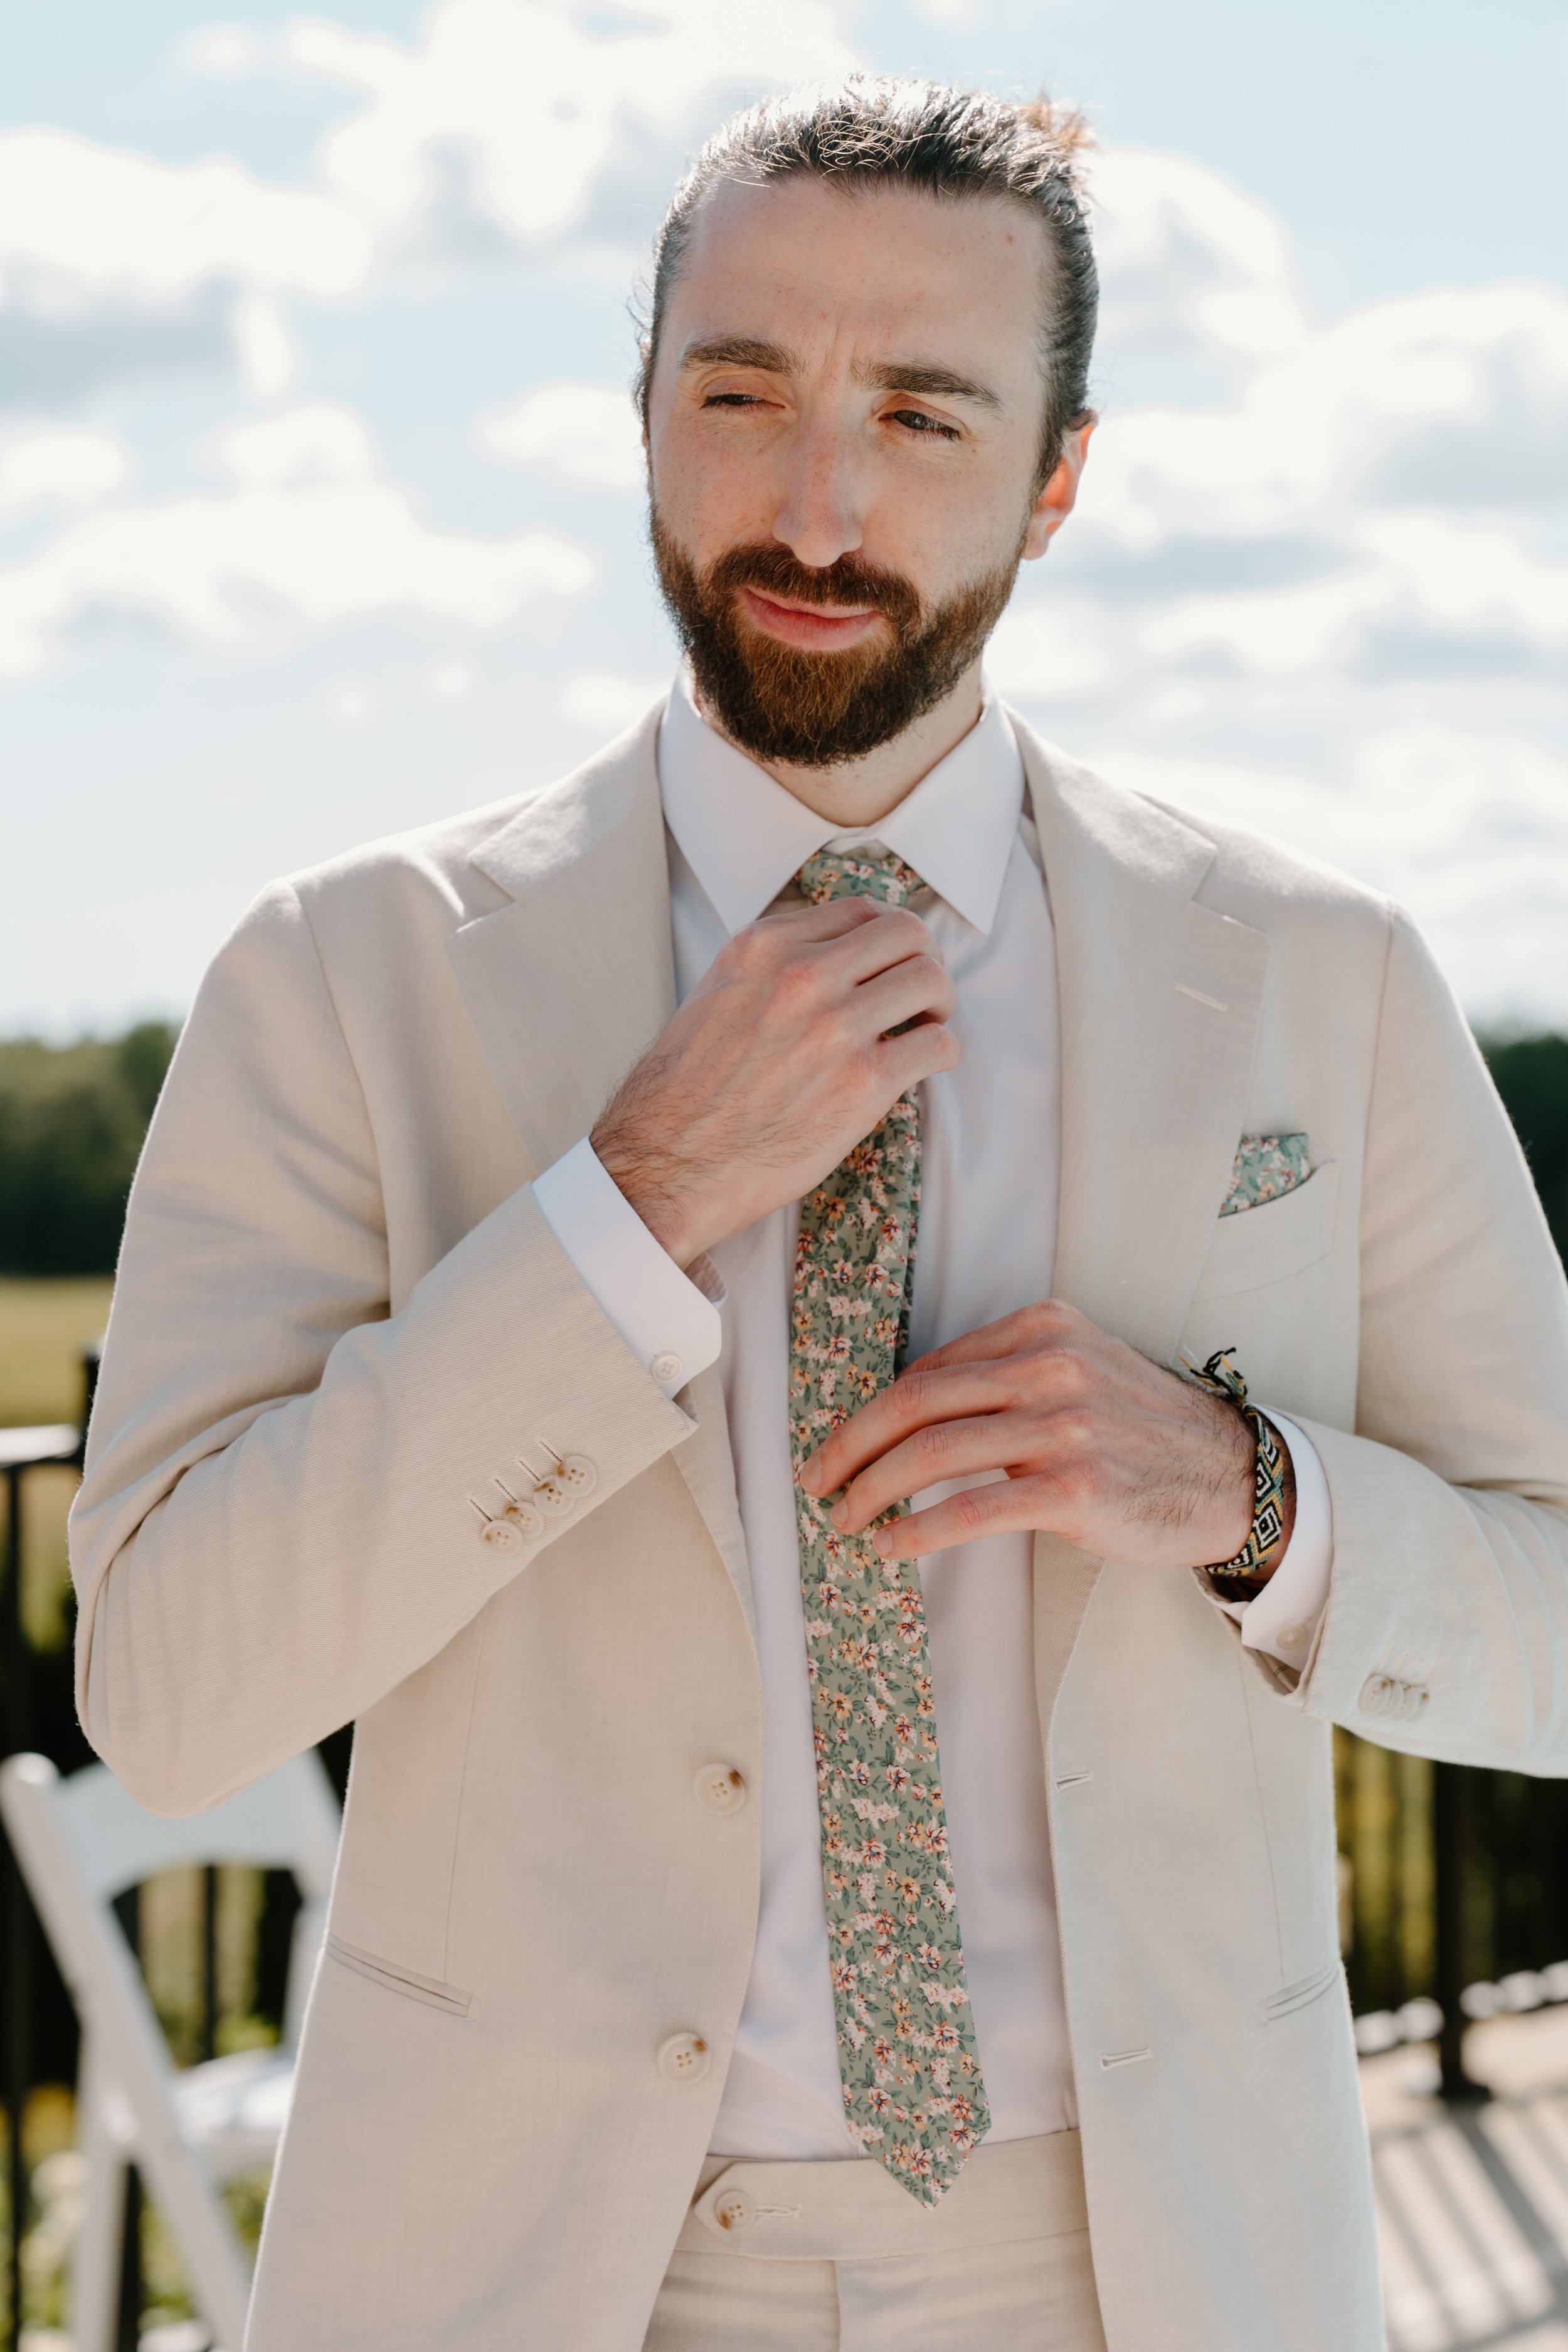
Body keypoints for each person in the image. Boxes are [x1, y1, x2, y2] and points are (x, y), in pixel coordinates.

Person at [71, 74, 1568, 2352]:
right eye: (740, 392)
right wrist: (627, 1204)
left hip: (1154, 2269)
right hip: (531, 2275)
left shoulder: (1317, 978)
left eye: (926, 417)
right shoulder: (333, 977)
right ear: (640, 414)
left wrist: (1247, 1496)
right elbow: (171, 1696)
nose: (816, 501)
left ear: (1060, 478)